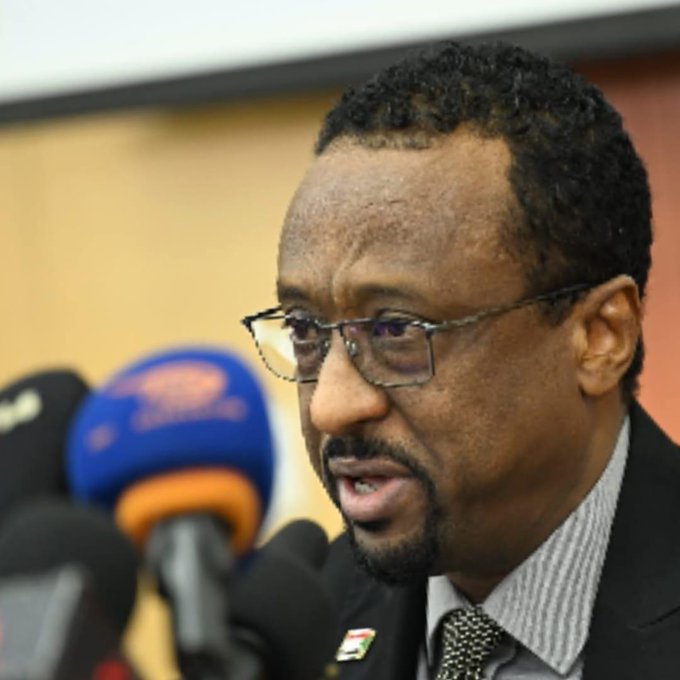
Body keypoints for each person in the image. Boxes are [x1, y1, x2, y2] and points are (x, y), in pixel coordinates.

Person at [241, 41, 680, 679]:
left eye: (395, 329)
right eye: (307, 330)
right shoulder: (306, 624)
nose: (331, 406)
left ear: (599, 336)